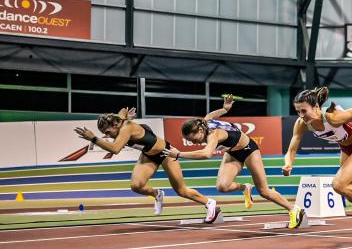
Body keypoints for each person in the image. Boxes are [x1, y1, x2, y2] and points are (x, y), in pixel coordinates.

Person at [164, 94, 304, 228]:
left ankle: (294, 209)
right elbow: (213, 115)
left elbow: (206, 153)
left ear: (200, 130)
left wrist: (179, 154)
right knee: (222, 186)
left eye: (194, 139)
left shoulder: (213, 134)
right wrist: (224, 109)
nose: (194, 143)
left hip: (249, 150)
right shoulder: (204, 122)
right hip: (232, 152)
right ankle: (245, 187)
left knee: (263, 191)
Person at [74, 107, 219, 222]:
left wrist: (94, 138)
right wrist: (126, 116)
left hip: (166, 153)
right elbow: (123, 111)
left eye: (107, 132)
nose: (107, 135)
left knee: (181, 191)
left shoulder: (126, 128)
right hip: (148, 155)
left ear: (115, 125)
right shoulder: (120, 121)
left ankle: (209, 203)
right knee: (136, 185)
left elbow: (115, 149)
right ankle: (157, 194)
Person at [284, 86, 352, 233]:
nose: (301, 115)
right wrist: (288, 164)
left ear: (316, 107)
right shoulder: (301, 123)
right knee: (351, 194)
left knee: (338, 184)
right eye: (298, 111)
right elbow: (291, 149)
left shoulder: (332, 117)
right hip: (346, 148)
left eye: (304, 111)